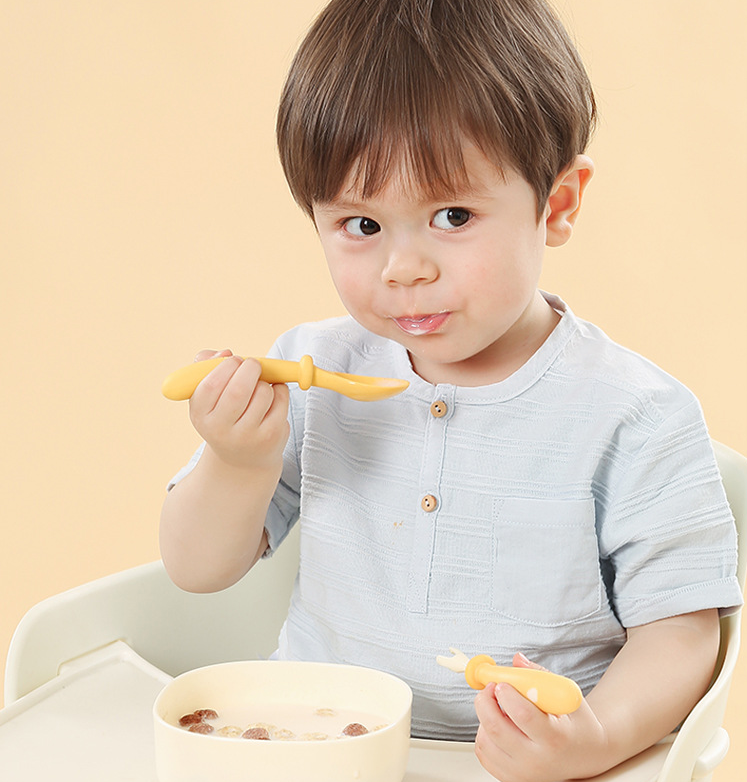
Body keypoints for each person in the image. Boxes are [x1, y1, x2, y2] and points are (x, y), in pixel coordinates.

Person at [159, 1, 742, 779]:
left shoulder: (631, 415)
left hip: (541, 766)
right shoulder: (310, 367)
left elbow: (682, 632)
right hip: (321, 745)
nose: (404, 269)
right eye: (360, 226)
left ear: (556, 205)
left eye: (452, 215)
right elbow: (196, 569)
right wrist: (235, 461)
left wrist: (595, 738)